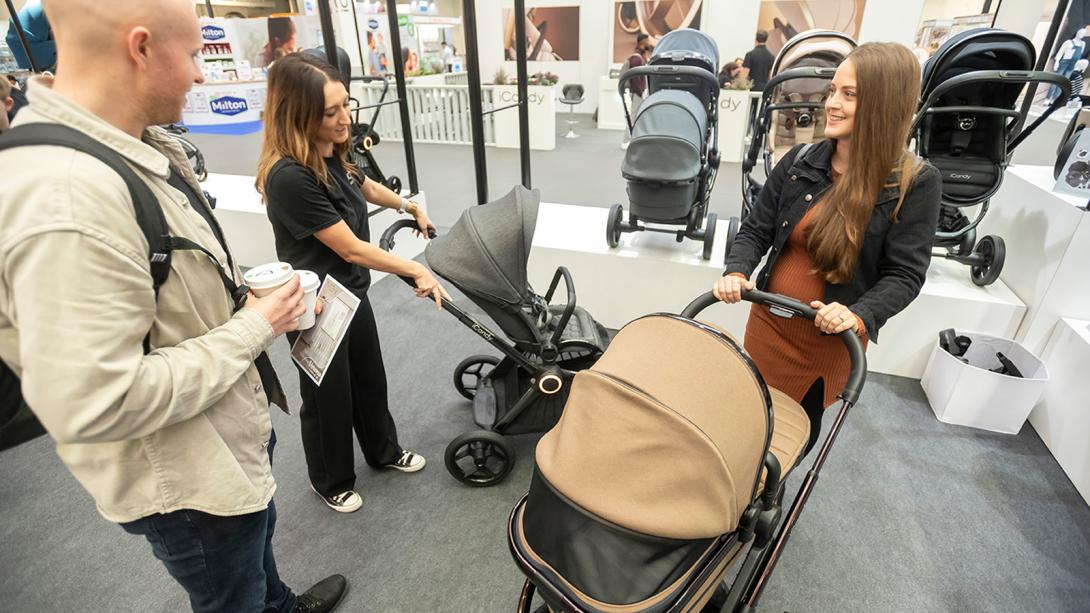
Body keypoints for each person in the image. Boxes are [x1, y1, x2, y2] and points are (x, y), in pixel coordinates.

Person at [0, 1, 349, 612]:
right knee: (231, 589)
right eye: (192, 55)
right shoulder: (67, 203)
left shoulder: (133, 148)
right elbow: (101, 402)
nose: (201, 75)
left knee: (257, 544)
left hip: (222, 434)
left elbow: (167, 275)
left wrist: (244, 291)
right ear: (140, 48)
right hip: (188, 483)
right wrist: (254, 325)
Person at [713, 42, 942, 456]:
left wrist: (859, 314)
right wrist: (737, 270)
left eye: (849, 94)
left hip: (826, 342)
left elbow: (905, 275)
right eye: (833, 91)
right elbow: (756, 229)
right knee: (745, 411)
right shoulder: (801, 160)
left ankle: (766, 494)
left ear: (883, 103)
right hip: (768, 322)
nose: (831, 104)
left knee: (793, 430)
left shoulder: (915, 182)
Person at [256, 53, 449, 514]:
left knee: (368, 377)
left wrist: (407, 205)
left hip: (351, 292)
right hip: (317, 304)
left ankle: (383, 452)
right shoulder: (289, 176)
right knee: (327, 397)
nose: (345, 119)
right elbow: (350, 248)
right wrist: (415, 268)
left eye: (346, 105)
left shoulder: (331, 152)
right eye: (330, 112)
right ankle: (331, 479)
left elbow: (363, 186)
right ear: (299, 114)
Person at [621, 33, 653, 150]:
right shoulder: (636, 58)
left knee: (636, 116)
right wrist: (640, 92)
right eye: (647, 41)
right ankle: (626, 140)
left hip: (640, 92)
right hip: (637, 93)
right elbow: (635, 78)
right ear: (642, 42)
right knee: (633, 116)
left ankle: (633, 139)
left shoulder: (641, 56)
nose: (649, 43)